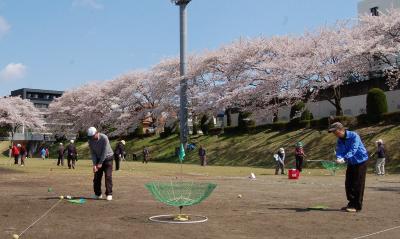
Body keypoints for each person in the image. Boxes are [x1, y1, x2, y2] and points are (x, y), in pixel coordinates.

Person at [329, 122, 368, 213]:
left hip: (361, 161)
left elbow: (353, 149)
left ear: (341, 130)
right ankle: (351, 203)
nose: (334, 134)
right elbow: (340, 151)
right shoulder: (340, 140)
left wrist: (345, 158)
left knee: (358, 183)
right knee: (349, 183)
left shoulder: (354, 135)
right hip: (351, 162)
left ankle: (357, 206)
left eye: (335, 131)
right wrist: (339, 158)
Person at [87, 127, 114, 201]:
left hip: (108, 158)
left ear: (96, 133)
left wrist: (100, 163)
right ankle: (98, 194)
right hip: (98, 159)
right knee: (96, 177)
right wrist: (94, 164)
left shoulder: (104, 138)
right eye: (90, 137)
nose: (91, 138)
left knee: (108, 176)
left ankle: (109, 194)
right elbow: (93, 153)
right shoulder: (90, 141)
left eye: (92, 136)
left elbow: (105, 151)